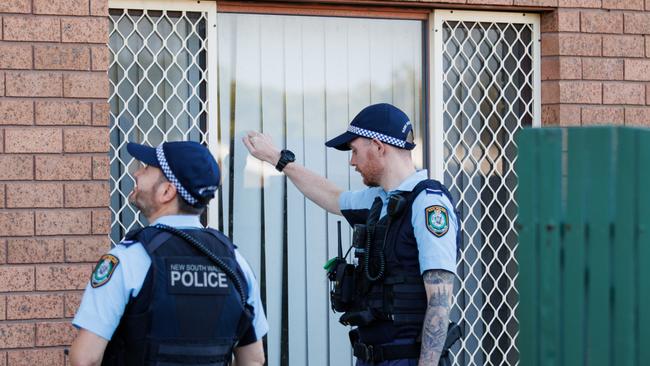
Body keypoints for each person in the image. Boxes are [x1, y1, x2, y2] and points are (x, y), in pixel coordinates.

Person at [243, 103, 459, 366]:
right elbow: (332, 197)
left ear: (379, 147)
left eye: (355, 151)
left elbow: (439, 299)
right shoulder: (380, 201)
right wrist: (279, 159)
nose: (352, 161)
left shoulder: (427, 203)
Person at [69, 141, 268, 366]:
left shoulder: (129, 260)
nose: (136, 173)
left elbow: (85, 359)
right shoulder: (236, 263)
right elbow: (253, 360)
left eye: (147, 168)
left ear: (166, 192)